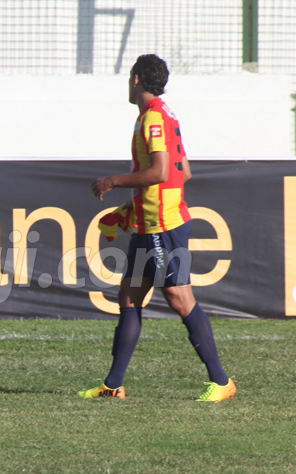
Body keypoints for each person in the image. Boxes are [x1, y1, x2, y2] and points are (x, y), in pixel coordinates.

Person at [80, 54, 236, 402]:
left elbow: (161, 172)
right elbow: (184, 172)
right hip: (149, 223)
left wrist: (113, 181)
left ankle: (222, 381)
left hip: (163, 226)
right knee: (129, 297)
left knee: (180, 298)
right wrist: (133, 207)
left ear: (136, 79)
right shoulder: (165, 114)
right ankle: (113, 385)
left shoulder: (153, 117)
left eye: (129, 77)